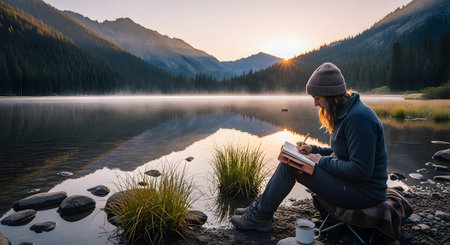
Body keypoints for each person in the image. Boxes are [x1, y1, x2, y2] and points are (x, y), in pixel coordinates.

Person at [231, 62, 388, 232]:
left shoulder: (359, 119)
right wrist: (313, 150)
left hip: (364, 194)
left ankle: (260, 216)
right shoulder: (346, 112)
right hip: (351, 184)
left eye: (317, 98)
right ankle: (261, 206)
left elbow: (361, 170)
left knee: (291, 166)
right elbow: (341, 154)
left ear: (331, 95)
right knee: (291, 159)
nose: (315, 104)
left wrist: (321, 161)